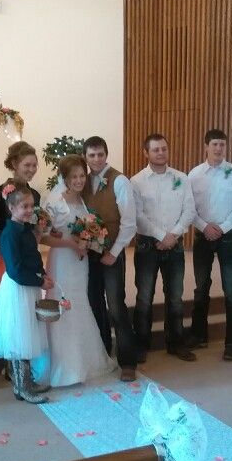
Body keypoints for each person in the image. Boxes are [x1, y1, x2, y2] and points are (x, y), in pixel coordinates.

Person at [43, 154, 117, 386]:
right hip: (62, 260)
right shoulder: (54, 201)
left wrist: (90, 242)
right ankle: (66, 364)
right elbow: (44, 237)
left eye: (82, 175)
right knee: (63, 304)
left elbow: (87, 229)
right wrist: (71, 244)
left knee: (80, 303)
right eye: (73, 176)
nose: (79, 180)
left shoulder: (83, 201)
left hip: (80, 261)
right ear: (64, 178)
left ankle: (86, 360)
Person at [131, 133, 196, 361]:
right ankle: (141, 344)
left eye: (164, 149)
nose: (161, 153)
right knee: (144, 297)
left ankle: (176, 343)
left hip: (175, 246)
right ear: (146, 153)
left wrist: (173, 235)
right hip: (148, 246)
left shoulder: (181, 178)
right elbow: (137, 216)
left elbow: (189, 210)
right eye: (156, 149)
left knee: (175, 297)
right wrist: (161, 235)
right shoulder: (137, 181)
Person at [187, 129, 232, 360]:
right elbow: (188, 207)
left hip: (227, 237)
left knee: (231, 290)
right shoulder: (194, 175)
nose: (218, 149)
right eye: (214, 144)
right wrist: (204, 227)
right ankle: (198, 335)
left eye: (222, 144)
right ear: (206, 146)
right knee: (201, 288)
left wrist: (221, 228)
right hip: (202, 236)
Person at [81, 136, 140, 382]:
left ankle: (127, 361)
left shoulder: (120, 181)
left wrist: (114, 253)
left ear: (106, 154)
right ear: (85, 156)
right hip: (89, 254)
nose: (96, 159)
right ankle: (103, 354)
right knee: (94, 304)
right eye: (91, 155)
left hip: (112, 253)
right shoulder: (81, 181)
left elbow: (129, 223)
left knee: (116, 306)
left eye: (100, 154)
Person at [0, 183, 54, 403]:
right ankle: (21, 386)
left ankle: (26, 382)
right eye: (23, 206)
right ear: (11, 208)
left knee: (27, 333)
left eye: (31, 206)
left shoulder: (27, 229)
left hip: (30, 288)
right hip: (18, 288)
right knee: (20, 337)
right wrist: (38, 280)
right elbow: (16, 269)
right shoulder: (10, 233)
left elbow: (34, 258)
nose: (29, 210)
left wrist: (43, 274)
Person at [0, 141, 41, 293]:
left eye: (34, 165)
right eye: (27, 165)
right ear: (15, 164)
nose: (32, 169)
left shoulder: (35, 195)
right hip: (9, 253)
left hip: (30, 253)